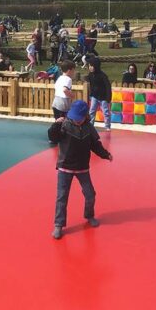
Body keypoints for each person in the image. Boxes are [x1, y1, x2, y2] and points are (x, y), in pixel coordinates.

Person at [48, 99, 113, 240]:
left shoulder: (89, 128)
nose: (76, 121)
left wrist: (106, 154)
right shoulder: (64, 125)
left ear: (85, 116)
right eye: (74, 118)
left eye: (79, 118)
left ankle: (89, 215)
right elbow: (53, 137)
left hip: (82, 168)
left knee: (90, 194)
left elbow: (95, 145)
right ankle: (59, 224)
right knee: (62, 197)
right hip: (65, 167)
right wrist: (55, 125)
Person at [86, 58, 112, 132]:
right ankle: (90, 126)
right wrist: (91, 95)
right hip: (94, 96)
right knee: (92, 111)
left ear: (96, 66)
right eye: (89, 66)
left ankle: (107, 126)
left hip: (103, 97)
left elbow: (108, 86)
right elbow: (91, 85)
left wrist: (108, 97)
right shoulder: (90, 75)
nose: (90, 67)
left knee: (106, 112)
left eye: (92, 66)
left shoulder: (102, 75)